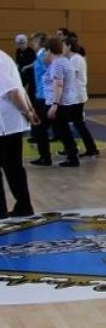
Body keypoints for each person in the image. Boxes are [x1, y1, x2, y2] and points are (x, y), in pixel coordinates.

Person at [0, 47, 36, 218]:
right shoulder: (4, 56)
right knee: (13, 166)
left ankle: (2, 210)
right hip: (12, 123)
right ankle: (24, 206)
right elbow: (19, 87)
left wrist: (27, 111)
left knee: (12, 166)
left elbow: (13, 91)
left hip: (4, 124)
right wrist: (29, 109)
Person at [43, 37, 80, 168]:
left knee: (59, 131)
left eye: (45, 50)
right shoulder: (65, 61)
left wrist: (55, 104)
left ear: (49, 50)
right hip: (65, 102)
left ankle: (72, 157)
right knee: (62, 131)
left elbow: (58, 84)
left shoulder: (58, 63)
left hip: (59, 103)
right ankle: (72, 155)